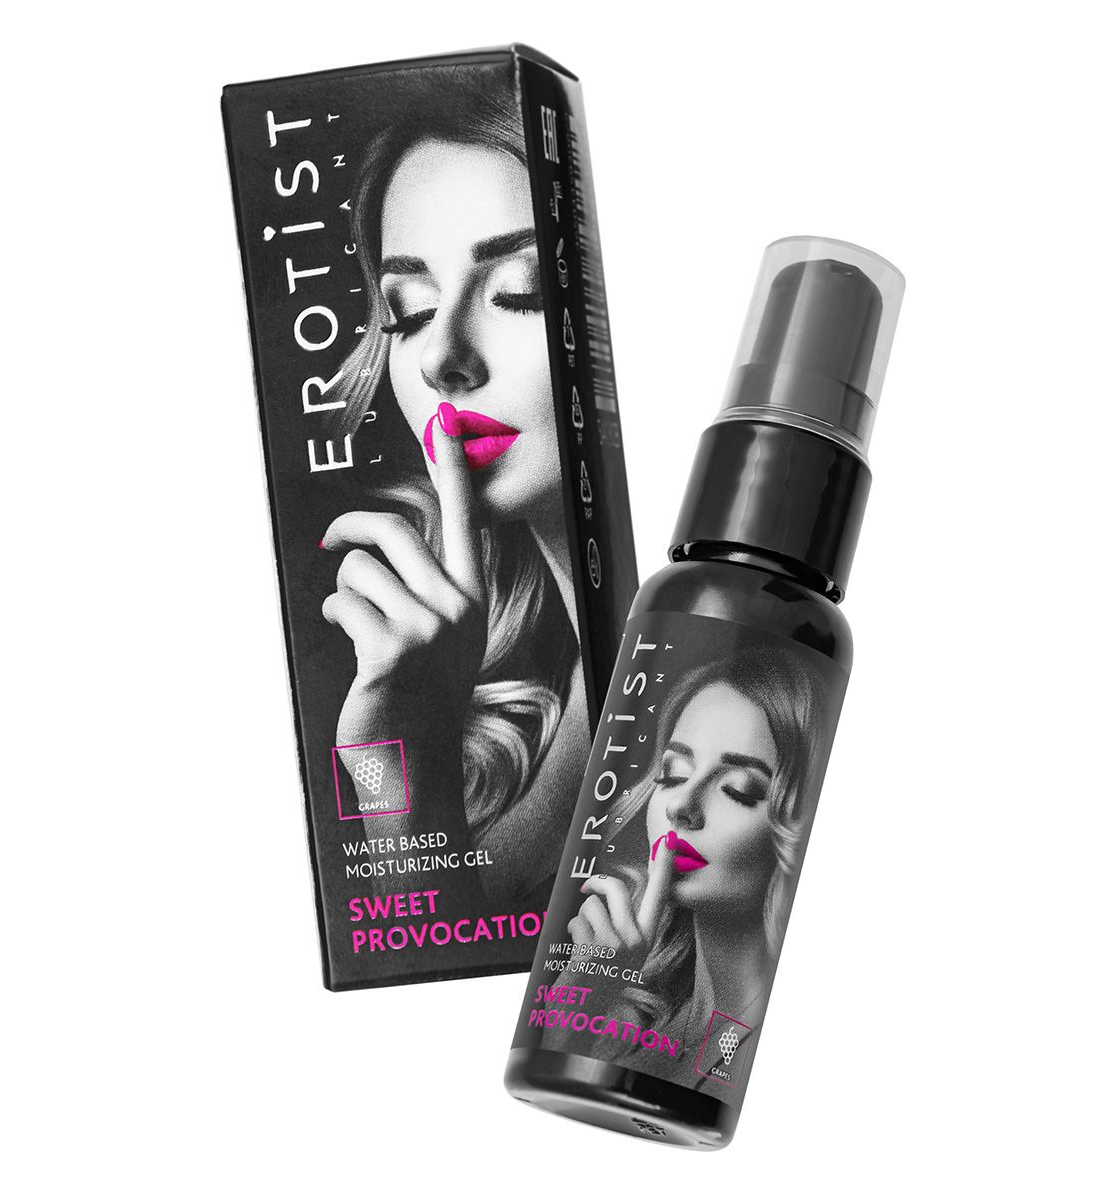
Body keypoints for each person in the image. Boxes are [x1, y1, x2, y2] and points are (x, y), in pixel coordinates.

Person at [319, 75, 587, 909]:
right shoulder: (478, 682)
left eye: (520, 293)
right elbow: (413, 932)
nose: (441, 359)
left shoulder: (694, 682)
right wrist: (390, 764)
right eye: (409, 311)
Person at [562, 648, 824, 1071]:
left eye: (738, 790)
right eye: (674, 775)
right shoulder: (626, 1020)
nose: (681, 805)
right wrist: (575, 1002)